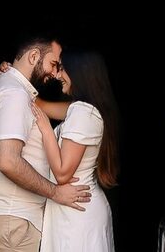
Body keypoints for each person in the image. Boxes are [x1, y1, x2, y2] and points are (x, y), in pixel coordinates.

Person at [0, 38, 92, 252]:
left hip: (13, 218)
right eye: (54, 64)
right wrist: (55, 193)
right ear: (34, 56)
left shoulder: (16, 90)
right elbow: (8, 161)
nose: (55, 74)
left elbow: (77, 110)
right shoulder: (14, 93)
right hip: (12, 217)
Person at [32, 51, 119, 252]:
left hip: (76, 211)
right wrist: (15, 77)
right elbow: (40, 106)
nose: (57, 75)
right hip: (76, 208)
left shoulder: (83, 112)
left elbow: (63, 173)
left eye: (62, 68)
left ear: (80, 73)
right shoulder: (82, 109)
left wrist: (46, 129)